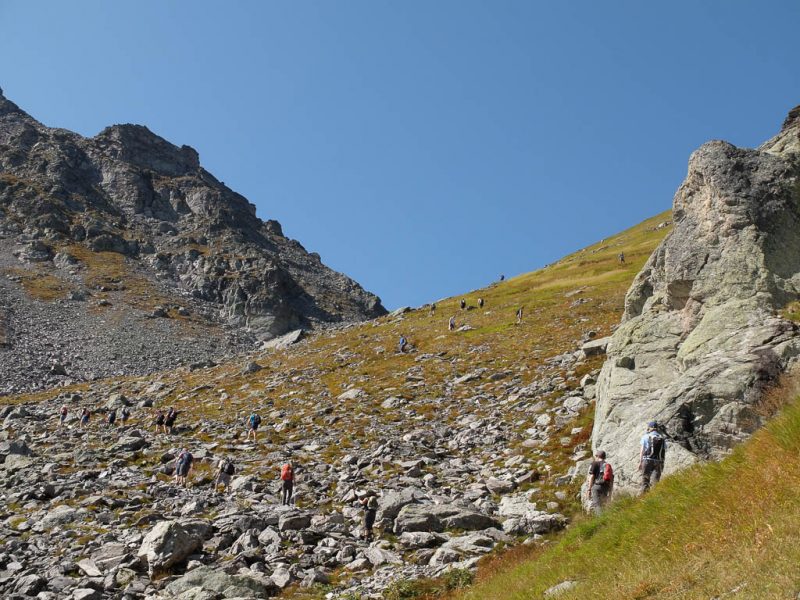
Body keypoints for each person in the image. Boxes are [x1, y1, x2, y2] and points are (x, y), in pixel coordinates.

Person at [639, 421, 667, 492]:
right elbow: (663, 450)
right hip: (658, 461)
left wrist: (640, 462)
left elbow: (642, 451)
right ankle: (655, 495)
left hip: (647, 460)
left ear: (649, 428)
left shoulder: (645, 437)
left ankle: (644, 495)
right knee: (656, 481)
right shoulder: (662, 438)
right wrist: (662, 463)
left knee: (645, 480)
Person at [586, 450, 614, 515]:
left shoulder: (595, 463)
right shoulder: (607, 465)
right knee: (603, 503)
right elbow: (611, 478)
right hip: (606, 487)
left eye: (596, 456)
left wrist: (589, 489)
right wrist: (610, 491)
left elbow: (592, 477)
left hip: (597, 486)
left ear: (598, 456)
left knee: (597, 504)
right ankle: (606, 516)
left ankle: (601, 519)